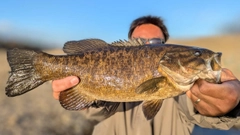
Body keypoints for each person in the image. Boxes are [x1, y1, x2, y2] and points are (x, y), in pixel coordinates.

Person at [52, 15, 240, 134]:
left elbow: (199, 112)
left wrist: (230, 105)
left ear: (165, 47)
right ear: (129, 44)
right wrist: (80, 97)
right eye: (140, 41)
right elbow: (96, 114)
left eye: (156, 41)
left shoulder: (184, 89)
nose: (148, 46)